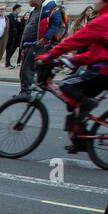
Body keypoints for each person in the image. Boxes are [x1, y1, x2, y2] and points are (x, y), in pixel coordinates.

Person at [37, 0, 108, 152]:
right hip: (102, 69)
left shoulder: (103, 20)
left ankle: (85, 108)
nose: (95, 2)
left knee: (65, 85)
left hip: (101, 72)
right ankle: (80, 138)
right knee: (75, 99)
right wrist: (72, 59)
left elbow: (77, 39)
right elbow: (97, 54)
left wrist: (51, 55)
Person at [21, 0, 65, 89]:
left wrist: (45, 38)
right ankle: (29, 89)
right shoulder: (33, 10)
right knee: (26, 69)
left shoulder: (52, 8)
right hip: (28, 44)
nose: (28, 1)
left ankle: (27, 91)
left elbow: (55, 25)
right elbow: (28, 27)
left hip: (39, 44)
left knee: (28, 69)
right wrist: (23, 45)